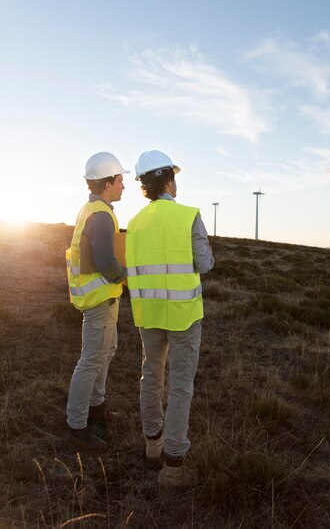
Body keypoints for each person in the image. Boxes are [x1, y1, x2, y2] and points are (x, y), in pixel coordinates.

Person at [126, 150, 214, 487]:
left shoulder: (134, 223)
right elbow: (204, 264)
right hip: (183, 315)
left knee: (150, 376)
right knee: (180, 386)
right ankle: (174, 466)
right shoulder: (188, 216)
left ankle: (153, 446)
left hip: (148, 314)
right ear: (169, 179)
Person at [65, 151, 129, 453]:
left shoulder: (93, 209)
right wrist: (126, 276)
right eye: (119, 180)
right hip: (99, 300)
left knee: (105, 352)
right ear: (107, 183)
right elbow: (106, 262)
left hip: (102, 299)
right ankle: (76, 426)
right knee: (91, 359)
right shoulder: (101, 215)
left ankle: (96, 408)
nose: (123, 186)